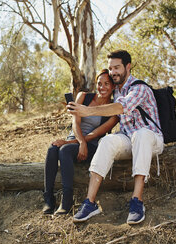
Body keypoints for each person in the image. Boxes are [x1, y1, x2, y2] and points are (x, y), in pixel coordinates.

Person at [68, 50, 164, 224]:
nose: (113, 72)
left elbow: (121, 107)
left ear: (128, 66)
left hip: (152, 139)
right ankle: (90, 202)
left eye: (117, 67)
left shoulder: (139, 88)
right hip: (129, 139)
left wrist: (87, 111)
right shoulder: (117, 91)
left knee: (141, 135)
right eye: (111, 68)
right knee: (108, 140)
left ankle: (137, 201)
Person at [43, 69, 119, 215]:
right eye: (99, 84)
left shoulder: (113, 111)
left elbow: (95, 134)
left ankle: (67, 201)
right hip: (75, 139)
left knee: (64, 150)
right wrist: (75, 142)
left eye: (106, 84)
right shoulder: (83, 96)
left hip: (91, 145)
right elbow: (75, 123)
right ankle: (48, 199)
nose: (102, 87)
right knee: (52, 149)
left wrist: (75, 144)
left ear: (113, 87)